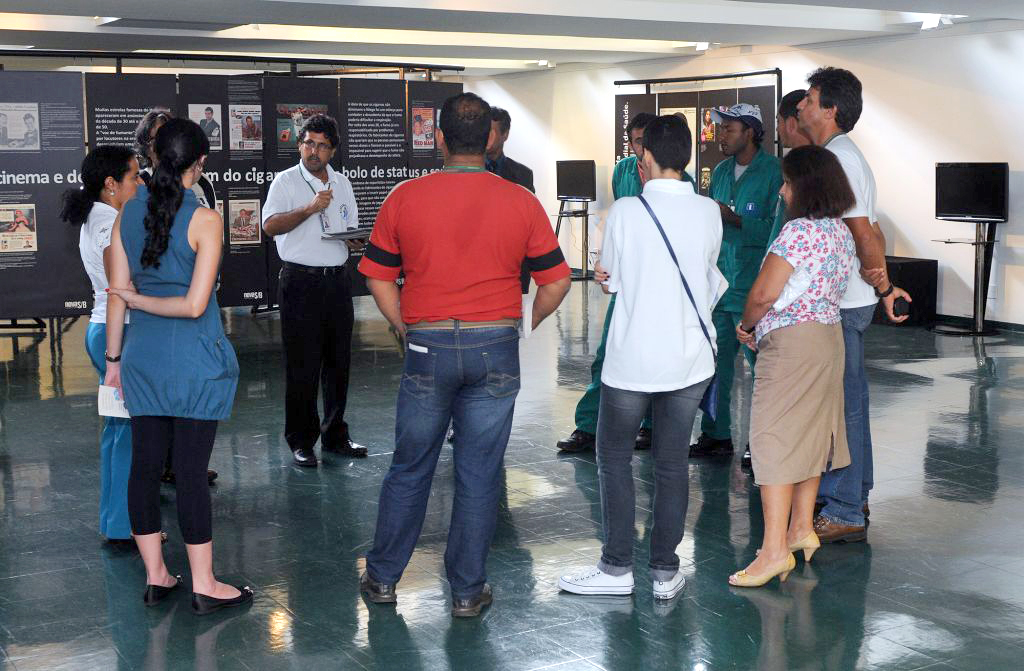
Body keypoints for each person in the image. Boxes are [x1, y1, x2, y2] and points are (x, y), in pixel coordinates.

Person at [357, 92, 570, 617]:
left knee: (411, 466)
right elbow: (557, 280)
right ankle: (468, 592)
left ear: (440, 139)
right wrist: (525, 321)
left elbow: (378, 276)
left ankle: (382, 579)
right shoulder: (521, 200)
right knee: (479, 473)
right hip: (494, 345)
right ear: (490, 138)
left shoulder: (405, 197)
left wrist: (404, 324)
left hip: (427, 345)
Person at [558, 115, 722, 600]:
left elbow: (609, 277)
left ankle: (616, 569)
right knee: (672, 464)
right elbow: (706, 272)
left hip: (633, 359)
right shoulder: (709, 211)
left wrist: (609, 276)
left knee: (614, 458)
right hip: (689, 358)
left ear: (644, 157)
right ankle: (665, 572)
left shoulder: (627, 210)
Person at [105, 118, 252, 615]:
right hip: (193, 358)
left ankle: (156, 576)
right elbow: (193, 306)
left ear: (152, 157)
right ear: (200, 163)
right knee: (189, 472)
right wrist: (140, 301)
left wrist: (113, 360)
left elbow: (118, 296)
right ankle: (204, 584)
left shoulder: (127, 211)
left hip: (142, 357)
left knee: (144, 466)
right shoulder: (205, 219)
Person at [729, 144, 857, 587]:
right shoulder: (840, 231)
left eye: (787, 183)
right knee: (809, 436)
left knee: (773, 439)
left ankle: (773, 552)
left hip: (792, 345)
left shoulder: (797, 232)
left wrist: (747, 326)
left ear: (806, 186)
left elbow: (765, 294)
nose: (782, 192)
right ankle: (800, 528)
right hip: (828, 339)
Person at [797, 67, 912, 543]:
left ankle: (844, 508)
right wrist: (883, 287)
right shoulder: (843, 155)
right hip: (850, 298)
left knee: (842, 407)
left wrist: (882, 288)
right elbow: (874, 230)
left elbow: (863, 232)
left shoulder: (839, 159)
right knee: (851, 401)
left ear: (830, 110)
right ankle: (854, 493)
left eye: (809, 99)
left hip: (843, 302)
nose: (801, 106)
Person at [557, 111, 683, 454]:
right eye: (635, 141)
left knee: (657, 357)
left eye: (645, 141)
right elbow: (620, 221)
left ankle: (650, 427)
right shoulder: (623, 171)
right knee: (606, 355)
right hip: (625, 284)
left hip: (661, 288)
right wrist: (606, 263)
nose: (640, 148)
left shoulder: (676, 180)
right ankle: (588, 426)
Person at [262, 114, 365, 467]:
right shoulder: (285, 181)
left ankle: (336, 435)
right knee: (302, 365)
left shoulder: (343, 183)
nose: (314, 151)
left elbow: (348, 225)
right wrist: (310, 208)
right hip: (301, 282)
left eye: (322, 145)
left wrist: (353, 239)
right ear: (299, 145)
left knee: (338, 363)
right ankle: (301, 440)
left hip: (337, 281)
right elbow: (270, 226)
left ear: (332, 150)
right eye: (308, 143)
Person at [689, 104, 782, 463]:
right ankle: (716, 435)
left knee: (762, 369)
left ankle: (762, 444)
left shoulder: (774, 172)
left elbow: (779, 229)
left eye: (729, 129)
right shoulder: (721, 171)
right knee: (716, 365)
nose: (721, 135)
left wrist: (738, 220)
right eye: (721, 128)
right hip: (721, 285)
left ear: (750, 132)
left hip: (754, 286)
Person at [62, 145, 142, 547]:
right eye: (134, 176)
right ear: (111, 184)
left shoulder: (99, 216)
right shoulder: (108, 221)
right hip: (118, 333)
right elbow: (120, 288)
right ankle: (126, 525)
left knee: (118, 429)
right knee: (128, 434)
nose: (140, 183)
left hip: (105, 330)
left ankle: (115, 522)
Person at [134, 108, 218, 487]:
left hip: (186, 314)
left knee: (191, 394)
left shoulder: (202, 189)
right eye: (159, 137)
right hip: (164, 318)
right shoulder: (140, 192)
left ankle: (183, 464)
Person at [485, 107, 534, 192]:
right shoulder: (468, 169)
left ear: (505, 134)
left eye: (490, 133)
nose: (484, 137)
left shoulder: (523, 174)